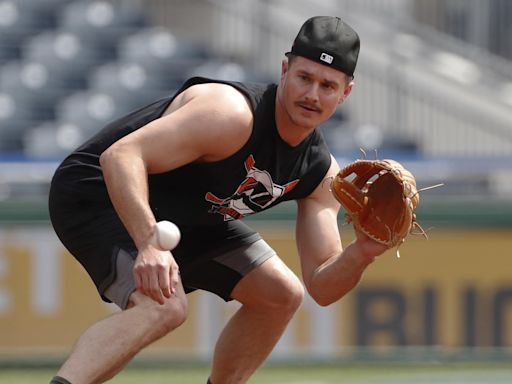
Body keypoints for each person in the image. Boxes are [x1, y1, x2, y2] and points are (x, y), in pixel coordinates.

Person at [48, 15, 387, 384]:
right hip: (98, 191)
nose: (312, 95)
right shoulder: (230, 114)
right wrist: (150, 244)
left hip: (188, 218)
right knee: (164, 307)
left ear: (346, 92)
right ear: (285, 69)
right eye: (305, 78)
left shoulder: (319, 173)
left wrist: (363, 251)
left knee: (282, 295)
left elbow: (321, 287)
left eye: (328, 85)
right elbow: (120, 157)